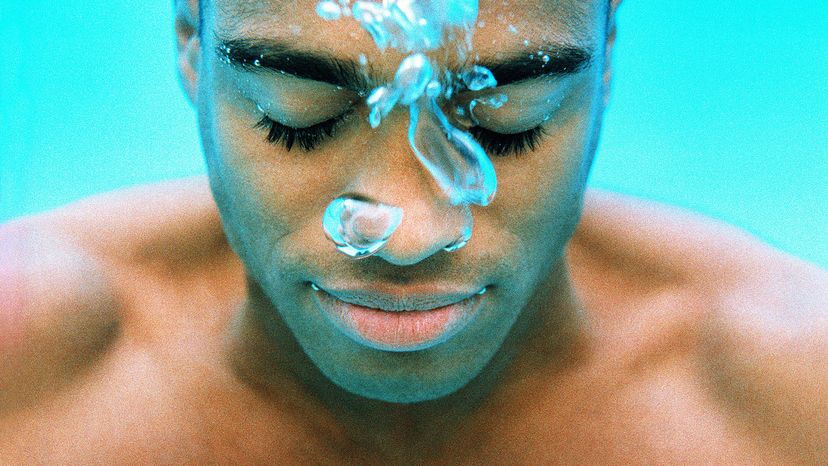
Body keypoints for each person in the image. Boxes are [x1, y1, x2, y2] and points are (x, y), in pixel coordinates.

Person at [1, 0, 826, 463]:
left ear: (606, 58)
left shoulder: (798, 406)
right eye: (298, 115)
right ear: (193, 48)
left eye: (513, 120)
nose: (409, 234)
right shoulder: (22, 368)